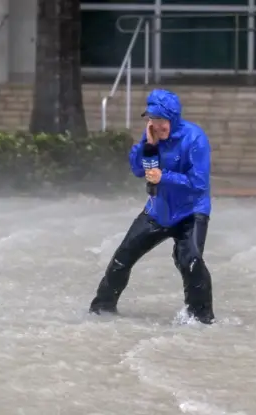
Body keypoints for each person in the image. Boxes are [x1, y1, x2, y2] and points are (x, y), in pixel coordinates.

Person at [89, 88, 215, 324]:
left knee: (191, 261)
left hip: (191, 212)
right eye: (152, 120)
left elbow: (199, 184)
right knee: (122, 257)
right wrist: (147, 145)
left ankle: (201, 319)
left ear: (174, 118)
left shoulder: (195, 139)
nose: (157, 126)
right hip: (159, 210)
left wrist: (163, 176)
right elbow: (139, 170)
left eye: (162, 120)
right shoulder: (152, 137)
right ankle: (101, 310)